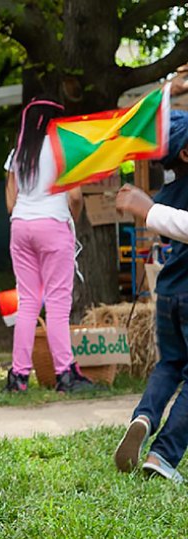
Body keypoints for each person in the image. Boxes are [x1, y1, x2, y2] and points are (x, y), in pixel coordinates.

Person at [113, 111, 188, 481]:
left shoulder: (168, 193)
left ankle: (144, 417)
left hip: (169, 293)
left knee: (170, 365)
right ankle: (164, 455)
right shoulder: (167, 201)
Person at [3, 98, 92, 393]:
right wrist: (71, 222)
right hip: (53, 224)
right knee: (57, 303)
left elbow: (10, 197)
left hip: (21, 225)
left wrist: (21, 218)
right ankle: (65, 372)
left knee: (28, 302)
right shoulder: (63, 151)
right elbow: (76, 197)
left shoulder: (18, 152)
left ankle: (18, 377)